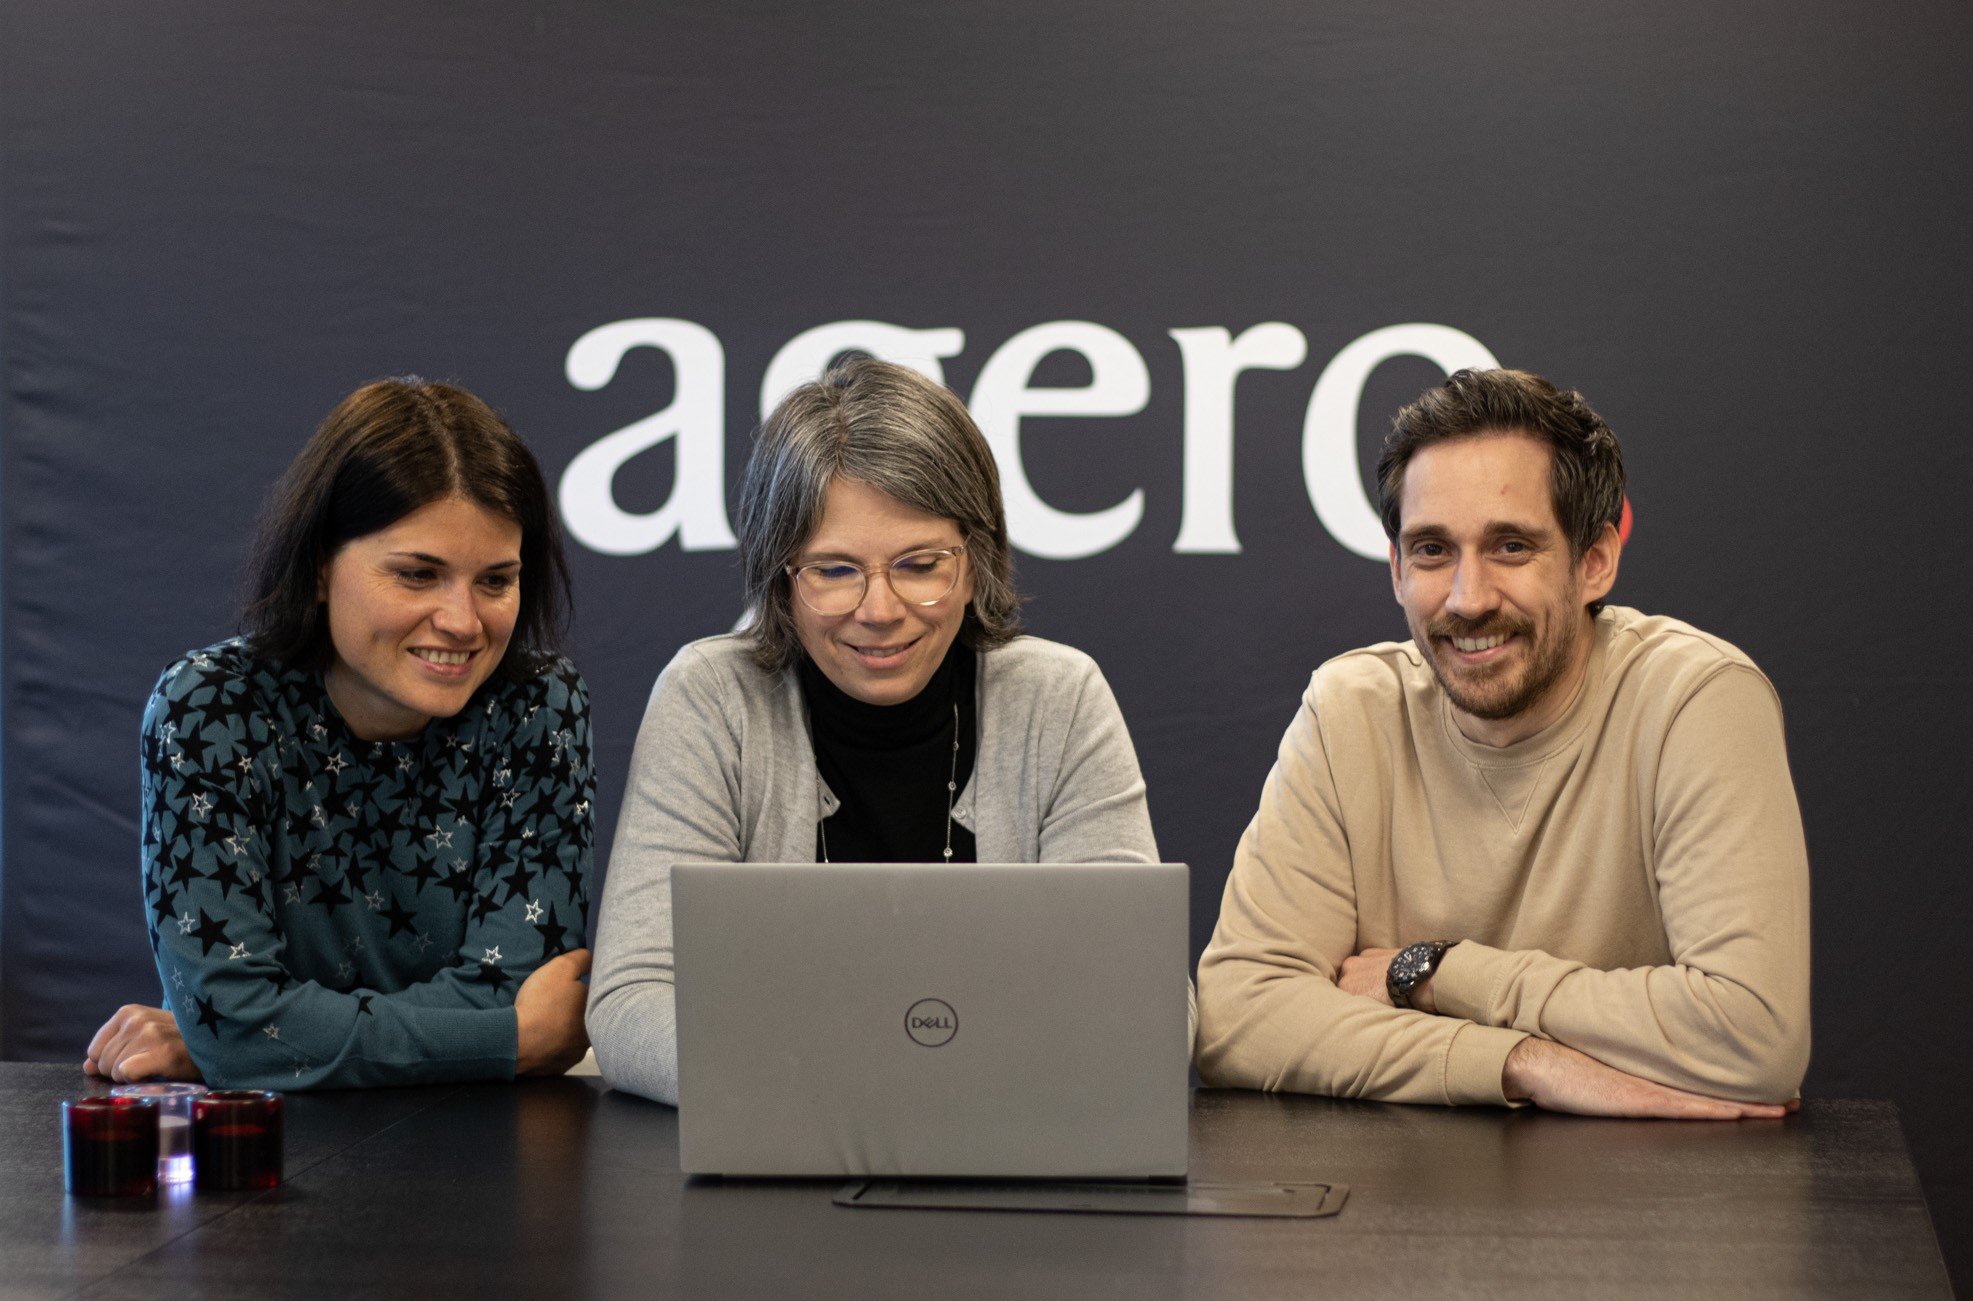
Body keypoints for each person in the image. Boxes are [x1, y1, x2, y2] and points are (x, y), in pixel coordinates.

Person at [1195, 368, 1810, 1118]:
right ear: (1394, 570)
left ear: (1595, 561)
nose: (1466, 597)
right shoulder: (1347, 710)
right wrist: (1519, 1063)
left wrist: (1436, 976)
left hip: (1642, 1213)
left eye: (1510, 546)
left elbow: (1751, 1036)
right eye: (1430, 551)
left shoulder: (1694, 698)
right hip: (1391, 1211)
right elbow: (1236, 1016)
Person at [586, 357, 1160, 1105]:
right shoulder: (710, 700)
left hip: (1007, 1168)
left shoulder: (1060, 698)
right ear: (778, 576)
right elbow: (631, 1002)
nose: (880, 608)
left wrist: (854, 1076)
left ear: (975, 560)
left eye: (920, 564)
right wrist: (859, 1084)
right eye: (834, 570)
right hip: (772, 1171)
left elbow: (1144, 1007)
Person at [85, 379, 595, 1089]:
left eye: (495, 580)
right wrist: (503, 1040)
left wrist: (264, 1040)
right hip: (264, 1166)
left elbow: (243, 1033)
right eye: (419, 574)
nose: (463, 621)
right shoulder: (208, 708)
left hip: (487, 1157)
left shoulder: (539, 704)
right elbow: (238, 1028)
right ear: (320, 566)